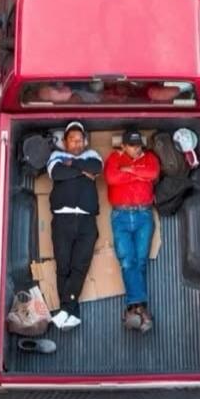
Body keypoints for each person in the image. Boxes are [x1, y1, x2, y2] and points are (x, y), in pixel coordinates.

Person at [47, 121, 102, 330]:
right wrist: (82, 171)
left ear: (85, 141)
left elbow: (96, 168)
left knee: (80, 266)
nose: (77, 144)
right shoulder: (56, 156)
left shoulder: (92, 155)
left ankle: (66, 310)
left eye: (80, 140)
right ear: (65, 142)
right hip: (63, 219)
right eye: (72, 140)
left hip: (87, 220)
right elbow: (57, 173)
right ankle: (70, 311)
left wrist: (72, 165)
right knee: (63, 266)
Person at [105, 129, 161, 333]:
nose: (136, 149)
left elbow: (152, 174)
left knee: (140, 261)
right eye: (131, 145)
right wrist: (137, 174)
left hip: (143, 214)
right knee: (128, 260)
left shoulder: (149, 158)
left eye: (138, 145)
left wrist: (128, 170)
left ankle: (134, 308)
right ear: (123, 145)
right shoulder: (114, 157)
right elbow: (112, 178)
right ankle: (139, 308)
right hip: (120, 215)